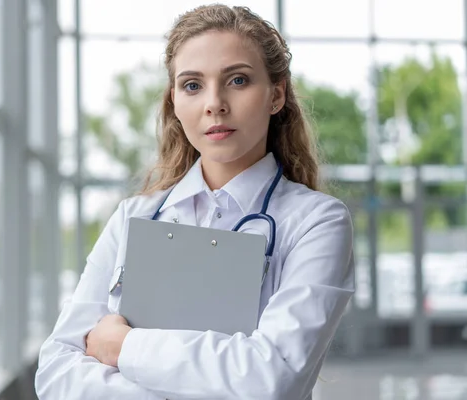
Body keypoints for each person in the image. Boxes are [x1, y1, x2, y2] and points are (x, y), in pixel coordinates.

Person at [35, 4, 355, 399]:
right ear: (174, 103)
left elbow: (272, 378)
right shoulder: (134, 217)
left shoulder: (316, 221)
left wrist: (123, 347)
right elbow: (56, 370)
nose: (214, 103)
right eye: (192, 85)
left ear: (276, 95)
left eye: (238, 80)